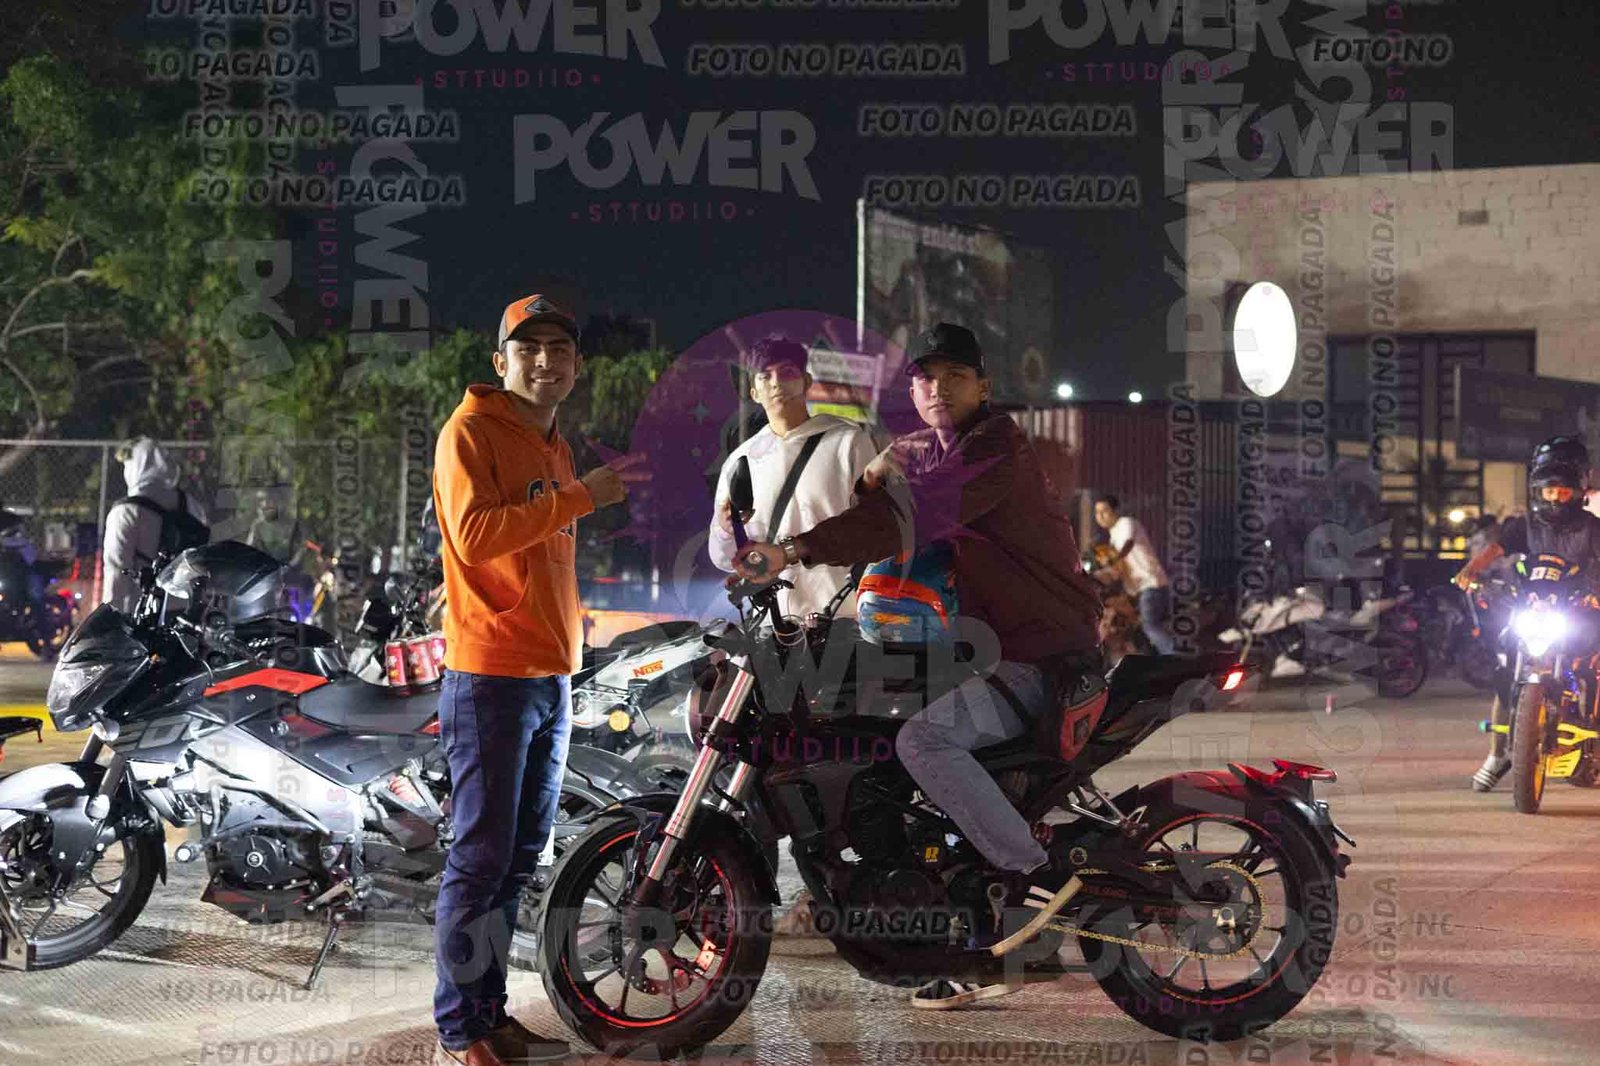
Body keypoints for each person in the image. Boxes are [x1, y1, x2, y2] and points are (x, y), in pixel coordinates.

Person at [732, 322, 1103, 1003]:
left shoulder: (995, 447)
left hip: (1039, 654)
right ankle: (953, 929)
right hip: (978, 649)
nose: (938, 388)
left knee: (923, 742)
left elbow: (910, 516)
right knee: (880, 740)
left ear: (983, 386)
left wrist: (794, 549)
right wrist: (884, 466)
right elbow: (893, 482)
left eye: (955, 376)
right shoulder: (933, 447)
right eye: (926, 378)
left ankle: (1036, 875)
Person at [430, 294, 645, 1066]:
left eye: (559, 349)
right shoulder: (470, 432)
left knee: (518, 859)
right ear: (501, 362)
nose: (545, 361)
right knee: (479, 859)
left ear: (576, 365)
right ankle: (461, 1031)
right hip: (491, 674)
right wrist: (583, 495)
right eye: (529, 349)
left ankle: (489, 1014)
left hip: (550, 674)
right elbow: (475, 536)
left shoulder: (552, 445)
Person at [1455, 436, 1600, 791]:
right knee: (1507, 673)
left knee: (1591, 665)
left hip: (1579, 609)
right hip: (1531, 609)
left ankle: (1591, 739)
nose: (1555, 498)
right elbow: (1496, 549)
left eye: (1563, 491)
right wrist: (1471, 571)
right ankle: (1497, 754)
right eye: (1549, 491)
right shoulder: (1525, 525)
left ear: (1578, 491)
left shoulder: (1592, 527)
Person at [709, 336, 878, 619]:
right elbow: (723, 558)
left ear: (806, 381)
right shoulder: (741, 461)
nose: (776, 383)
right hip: (773, 621)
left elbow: (874, 526)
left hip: (843, 614)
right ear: (754, 392)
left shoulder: (848, 442)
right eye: (765, 376)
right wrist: (727, 529)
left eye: (787, 372)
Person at [101, 437, 209, 612]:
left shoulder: (126, 512)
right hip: (188, 613)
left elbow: (117, 573)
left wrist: (108, 617)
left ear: (136, 465)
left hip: (142, 614)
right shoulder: (191, 505)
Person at [1091, 494, 1176, 655]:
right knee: (1135, 631)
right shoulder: (1113, 538)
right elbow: (1118, 569)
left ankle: (1176, 659)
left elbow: (1128, 544)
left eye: (1104, 511)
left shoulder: (1126, 523)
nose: (1100, 516)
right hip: (1137, 591)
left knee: (1149, 626)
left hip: (1150, 584)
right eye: (1097, 512)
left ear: (1115, 511)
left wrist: (1113, 559)